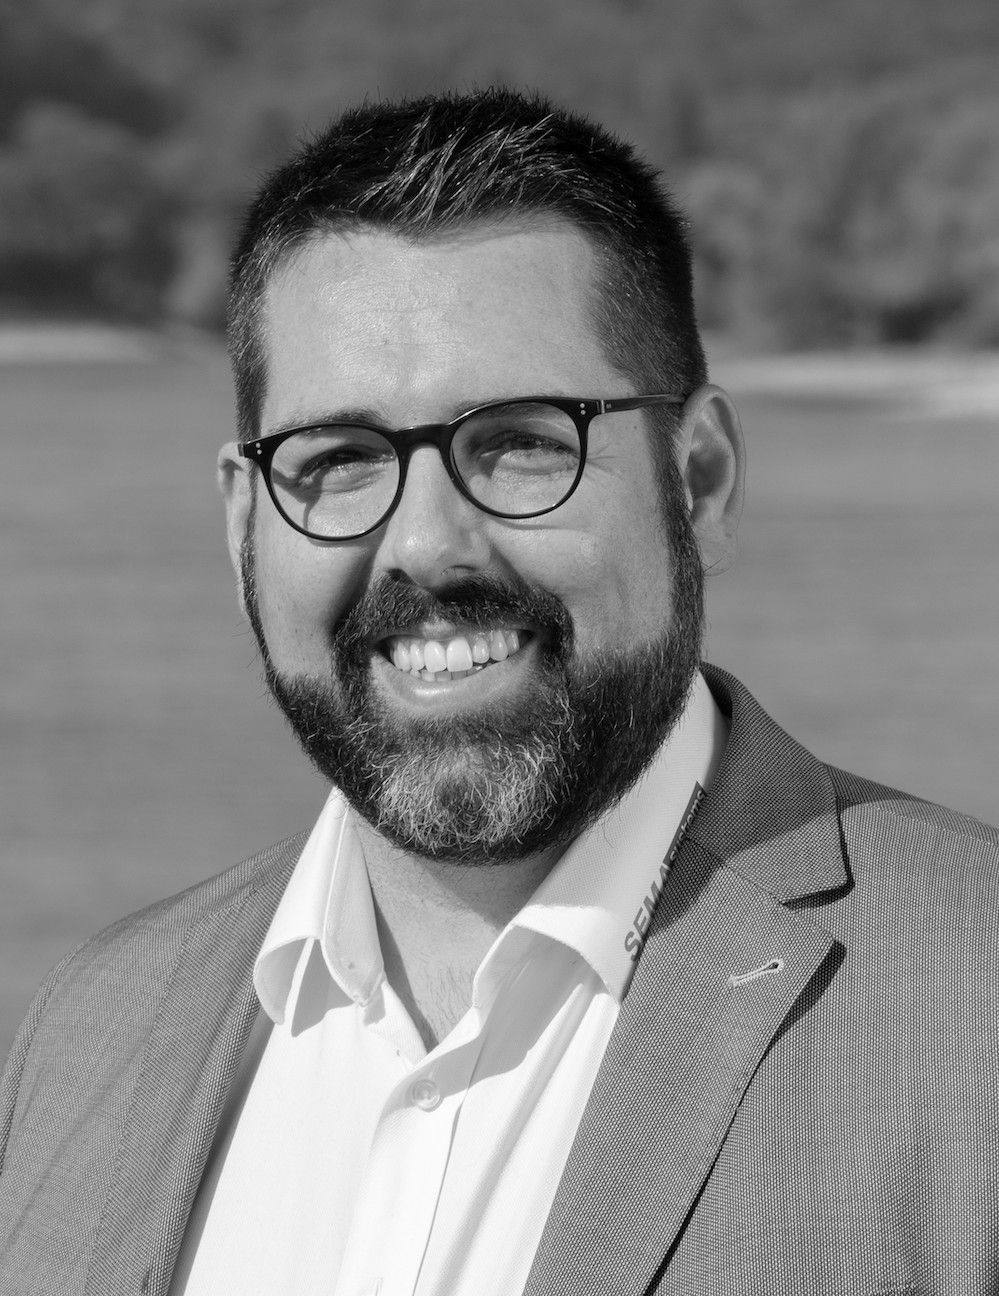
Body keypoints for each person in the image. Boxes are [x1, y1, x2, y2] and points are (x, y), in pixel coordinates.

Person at [1, 87, 998, 1296]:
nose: (428, 546)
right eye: (339, 461)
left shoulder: (972, 1009)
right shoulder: (88, 1035)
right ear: (245, 523)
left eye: (523, 441)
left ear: (700, 480)